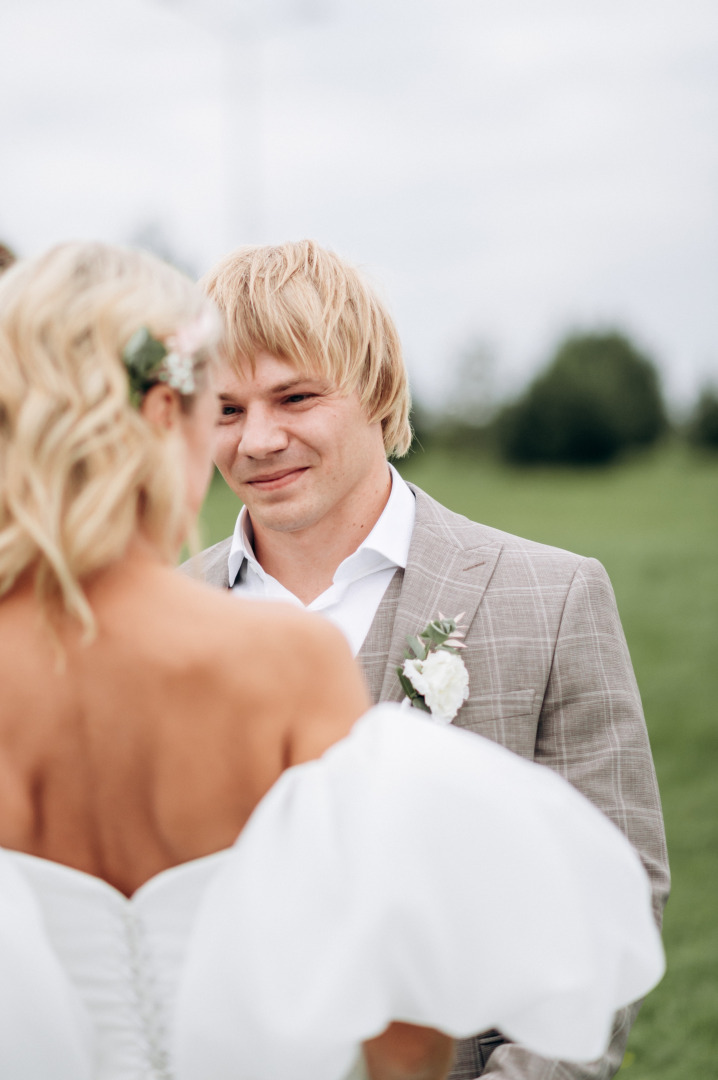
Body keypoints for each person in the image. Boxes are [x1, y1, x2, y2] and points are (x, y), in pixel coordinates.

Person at [0, 241, 664, 1080]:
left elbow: (610, 888)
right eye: (229, 409)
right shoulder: (110, 644)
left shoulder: (553, 595)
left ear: (379, 392)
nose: (259, 441)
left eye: (296, 397)